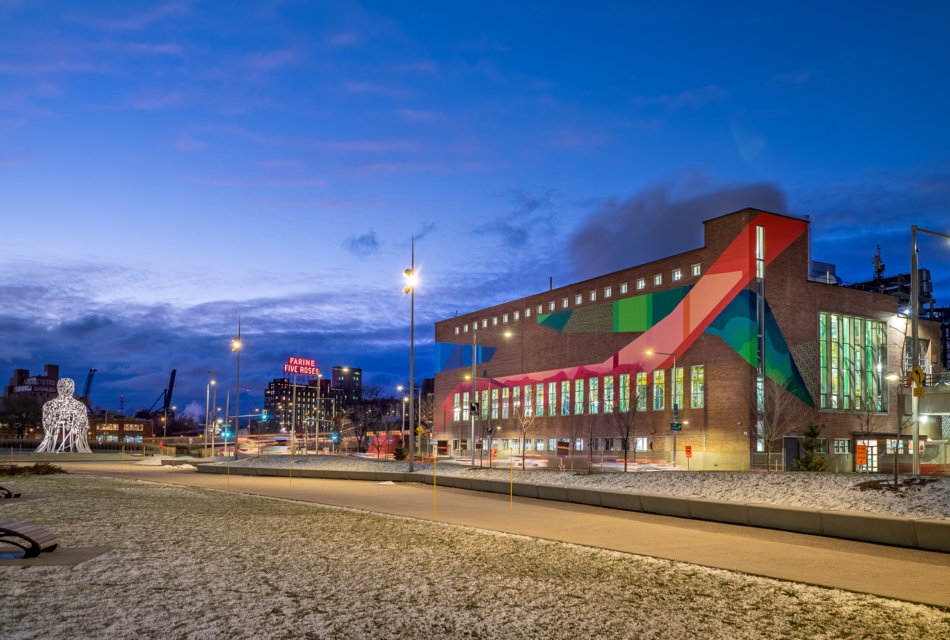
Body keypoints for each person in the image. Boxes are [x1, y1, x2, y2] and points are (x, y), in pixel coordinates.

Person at [36, 378, 91, 454]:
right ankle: (53, 448)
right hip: (54, 441)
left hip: (67, 438)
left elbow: (84, 425)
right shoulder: (49, 405)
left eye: (69, 387)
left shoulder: (80, 406)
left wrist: (76, 427)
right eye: (64, 388)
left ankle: (57, 448)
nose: (67, 390)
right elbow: (47, 426)